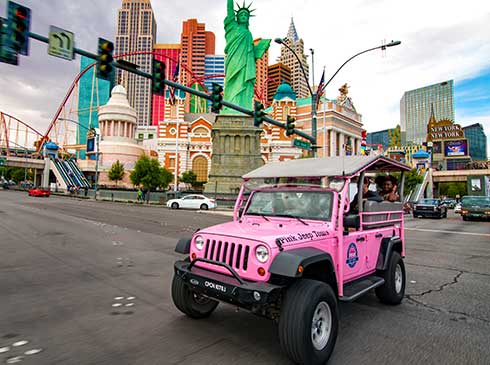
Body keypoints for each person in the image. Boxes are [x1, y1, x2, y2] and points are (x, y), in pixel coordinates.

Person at [222, 0, 270, 112]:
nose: (244, 16)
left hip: (246, 63)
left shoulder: (248, 33)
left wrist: (261, 48)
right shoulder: (233, 27)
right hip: (234, 60)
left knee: (244, 84)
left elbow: (252, 53)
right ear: (237, 17)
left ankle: (242, 107)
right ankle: (230, 108)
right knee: (232, 83)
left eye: (246, 15)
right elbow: (229, 11)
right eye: (241, 14)